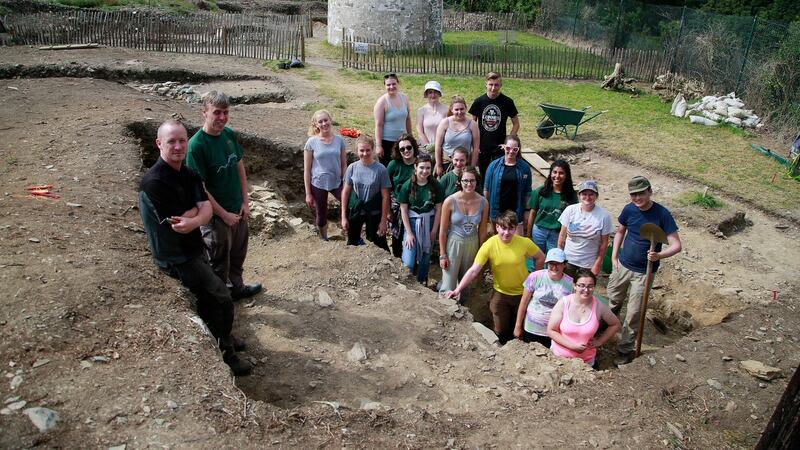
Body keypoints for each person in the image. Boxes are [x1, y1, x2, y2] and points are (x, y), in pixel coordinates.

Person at [139, 120, 251, 376]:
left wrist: (196, 218)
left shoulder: (188, 174)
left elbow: (205, 209)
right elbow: (177, 224)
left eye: (182, 140)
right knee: (221, 299)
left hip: (194, 247)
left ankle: (224, 338)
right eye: (171, 141)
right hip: (176, 258)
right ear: (159, 144)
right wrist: (196, 213)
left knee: (213, 299)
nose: (178, 146)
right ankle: (226, 353)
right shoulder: (154, 182)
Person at [186, 91, 262, 301]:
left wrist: (245, 202)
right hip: (215, 217)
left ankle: (236, 289)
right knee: (218, 262)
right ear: (204, 112)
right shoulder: (196, 146)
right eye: (216, 112)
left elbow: (240, 168)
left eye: (225, 112)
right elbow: (200, 188)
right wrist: (223, 215)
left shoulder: (228, 135)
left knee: (238, 256)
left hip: (237, 209)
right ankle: (220, 304)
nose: (221, 117)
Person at [608, 176, 681, 366]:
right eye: (634, 194)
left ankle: (624, 349)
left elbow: (676, 245)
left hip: (644, 272)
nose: (637, 198)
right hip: (623, 266)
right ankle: (605, 332)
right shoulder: (629, 209)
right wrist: (614, 256)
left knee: (633, 313)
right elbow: (620, 231)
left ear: (650, 191)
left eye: (641, 193)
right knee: (613, 301)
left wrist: (659, 256)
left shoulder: (662, 214)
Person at [446, 210, 545, 344]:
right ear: (497, 227)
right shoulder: (489, 245)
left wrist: (534, 281)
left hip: (523, 294)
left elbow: (540, 257)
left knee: (520, 328)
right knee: (501, 330)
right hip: (500, 294)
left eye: (511, 228)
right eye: (503, 228)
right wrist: (457, 290)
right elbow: (474, 270)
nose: (507, 233)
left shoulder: (524, 242)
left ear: (516, 228)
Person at [548, 269, 621, 368]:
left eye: (590, 286)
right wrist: (572, 346)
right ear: (574, 285)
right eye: (581, 285)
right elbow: (551, 330)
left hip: (586, 362)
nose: (586, 290)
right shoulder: (564, 303)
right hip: (559, 359)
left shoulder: (599, 306)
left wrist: (600, 341)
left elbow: (615, 324)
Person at [438, 166, 488, 302]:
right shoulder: (450, 201)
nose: (469, 184)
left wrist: (481, 251)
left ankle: (463, 314)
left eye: (472, 181)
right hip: (454, 242)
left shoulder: (483, 202)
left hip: (472, 243)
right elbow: (442, 230)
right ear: (459, 181)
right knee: (448, 282)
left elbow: (483, 229)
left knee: (466, 283)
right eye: (465, 180)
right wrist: (442, 254)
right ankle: (444, 310)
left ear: (477, 182)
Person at [514, 248, 574, 348]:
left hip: (554, 333)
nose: (554, 267)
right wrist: (518, 326)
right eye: (551, 263)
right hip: (531, 329)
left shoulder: (570, 284)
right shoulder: (535, 277)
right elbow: (523, 303)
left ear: (564, 264)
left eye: (558, 263)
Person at [399, 153, 444, 284]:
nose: (425, 171)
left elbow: (438, 209)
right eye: (422, 167)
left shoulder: (436, 186)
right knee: (408, 261)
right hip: (412, 223)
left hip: (429, 222)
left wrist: (434, 230)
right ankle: (408, 283)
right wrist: (409, 233)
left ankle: (421, 282)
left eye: (428, 168)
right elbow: (404, 210)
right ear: (415, 167)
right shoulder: (407, 186)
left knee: (425, 257)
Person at [341, 134, 391, 251]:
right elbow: (345, 192)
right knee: (352, 242)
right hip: (356, 211)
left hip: (374, 211)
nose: (365, 153)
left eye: (368, 150)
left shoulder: (381, 169)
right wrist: (343, 216)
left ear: (372, 150)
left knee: (379, 243)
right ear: (356, 151)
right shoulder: (352, 168)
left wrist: (383, 221)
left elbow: (385, 197)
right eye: (361, 150)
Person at [303, 110, 347, 241]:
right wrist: (308, 193)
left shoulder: (339, 140)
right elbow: (307, 169)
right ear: (316, 125)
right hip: (318, 183)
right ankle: (324, 238)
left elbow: (344, 165)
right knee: (321, 214)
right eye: (320, 122)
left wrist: (346, 184)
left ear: (330, 120)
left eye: (325, 120)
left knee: (350, 204)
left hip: (337, 182)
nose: (324, 123)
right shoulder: (311, 142)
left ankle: (351, 234)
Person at [557, 180, 613, 277]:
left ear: (596, 196)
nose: (587, 197)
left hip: (588, 264)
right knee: (565, 289)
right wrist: (559, 258)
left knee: (584, 290)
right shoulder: (570, 210)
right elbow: (562, 236)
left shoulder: (604, 216)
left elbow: (604, 243)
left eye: (591, 194)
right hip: (568, 260)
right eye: (584, 194)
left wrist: (597, 264)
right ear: (579, 195)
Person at [469, 72, 519, 178]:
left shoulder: (508, 102)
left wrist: (508, 141)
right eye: (491, 84)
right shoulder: (478, 102)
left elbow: (516, 124)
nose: (493, 88)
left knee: (499, 176)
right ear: (486, 84)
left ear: (501, 85)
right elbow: (472, 125)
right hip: (482, 146)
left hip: (500, 147)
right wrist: (475, 144)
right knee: (484, 176)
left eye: (496, 85)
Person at [484, 135, 532, 236]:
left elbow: (528, 192)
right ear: (504, 147)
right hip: (497, 212)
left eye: (515, 149)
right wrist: (486, 211)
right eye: (508, 148)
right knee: (498, 241)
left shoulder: (525, 168)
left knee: (517, 243)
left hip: (516, 212)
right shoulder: (493, 165)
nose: (511, 151)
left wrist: (527, 211)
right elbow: (486, 189)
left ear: (518, 150)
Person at [527, 160, 577, 255]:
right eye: (554, 172)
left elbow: (573, 219)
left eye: (561, 173)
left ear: (566, 176)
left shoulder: (571, 196)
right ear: (550, 174)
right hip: (539, 231)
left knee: (554, 260)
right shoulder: (539, 192)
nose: (557, 176)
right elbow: (532, 213)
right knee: (537, 260)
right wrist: (528, 234)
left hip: (557, 233)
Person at [386, 133, 419, 257]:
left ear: (413, 147)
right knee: (397, 236)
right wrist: (388, 211)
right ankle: (397, 259)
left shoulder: (419, 163)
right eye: (402, 149)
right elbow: (386, 188)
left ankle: (412, 260)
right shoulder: (394, 164)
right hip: (397, 204)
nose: (406, 151)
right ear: (398, 151)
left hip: (414, 205)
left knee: (413, 235)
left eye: (408, 147)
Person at [434, 95, 480, 177]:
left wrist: (472, 168)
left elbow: (476, 149)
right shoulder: (445, 123)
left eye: (462, 109)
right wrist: (439, 165)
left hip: (465, 164)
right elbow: (438, 146)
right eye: (456, 109)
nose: (459, 112)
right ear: (451, 110)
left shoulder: (472, 124)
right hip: (446, 162)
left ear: (466, 108)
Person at [374, 73, 412, 167]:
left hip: (402, 142)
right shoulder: (382, 102)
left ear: (398, 83)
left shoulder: (404, 98)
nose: (391, 87)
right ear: (385, 86)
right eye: (388, 85)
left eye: (394, 84)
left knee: (403, 167)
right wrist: (379, 146)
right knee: (389, 169)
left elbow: (408, 119)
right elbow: (378, 125)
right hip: (387, 142)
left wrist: (410, 137)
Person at [415, 80, 448, 152]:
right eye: (430, 92)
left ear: (439, 93)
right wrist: (428, 146)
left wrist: (439, 146)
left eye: (435, 92)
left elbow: (449, 130)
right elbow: (420, 131)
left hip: (443, 148)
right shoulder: (421, 111)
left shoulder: (447, 110)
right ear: (426, 94)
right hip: (425, 148)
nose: (433, 95)